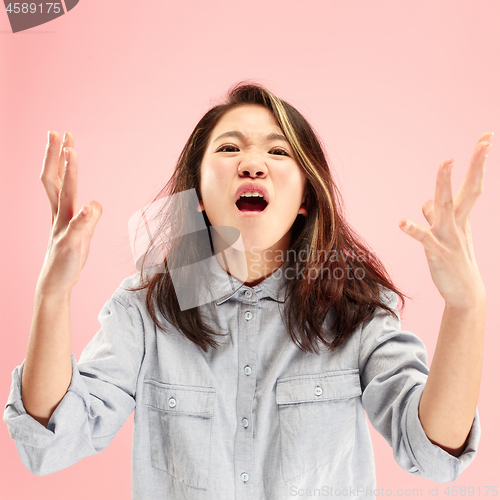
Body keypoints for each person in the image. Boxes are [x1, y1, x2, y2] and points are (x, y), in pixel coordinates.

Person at [3, 82, 488, 499]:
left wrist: (465, 308)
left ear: (305, 197)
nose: (253, 163)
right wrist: (52, 294)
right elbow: (50, 442)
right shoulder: (146, 309)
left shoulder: (355, 309)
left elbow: (432, 451)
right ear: (195, 191)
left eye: (278, 152)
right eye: (229, 148)